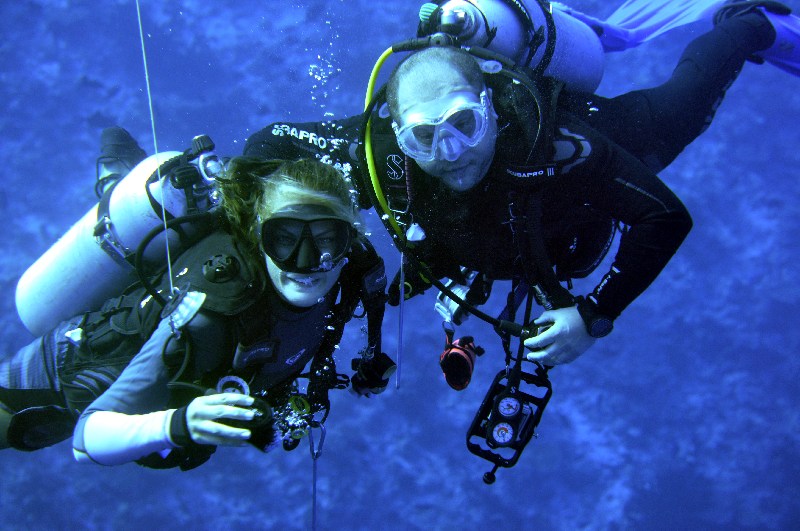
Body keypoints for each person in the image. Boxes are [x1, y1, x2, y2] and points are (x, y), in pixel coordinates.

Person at [243, 2, 798, 374]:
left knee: (684, 108)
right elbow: (268, 143)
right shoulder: (378, 153)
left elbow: (665, 217)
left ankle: (748, 23)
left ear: (489, 107)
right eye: (424, 136)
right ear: (399, 134)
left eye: (463, 124)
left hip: (599, 144)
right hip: (488, 245)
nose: (450, 152)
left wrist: (594, 316)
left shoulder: (560, 148)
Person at [0, 156, 394, 469]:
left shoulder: (351, 273)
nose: (305, 263)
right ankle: (115, 181)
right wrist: (178, 424)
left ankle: (117, 171)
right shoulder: (207, 313)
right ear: (259, 236)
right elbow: (87, 440)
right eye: (284, 239)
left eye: (327, 240)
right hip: (65, 366)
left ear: (351, 240)